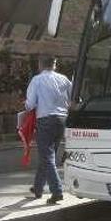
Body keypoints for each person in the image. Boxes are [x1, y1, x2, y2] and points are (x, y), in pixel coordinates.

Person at [25, 56, 72, 204]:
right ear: (55, 65)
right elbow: (75, 98)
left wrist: (26, 105)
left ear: (40, 65)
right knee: (47, 155)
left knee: (47, 156)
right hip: (62, 119)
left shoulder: (37, 80)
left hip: (45, 119)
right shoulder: (64, 79)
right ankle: (38, 188)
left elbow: (30, 104)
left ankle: (57, 190)